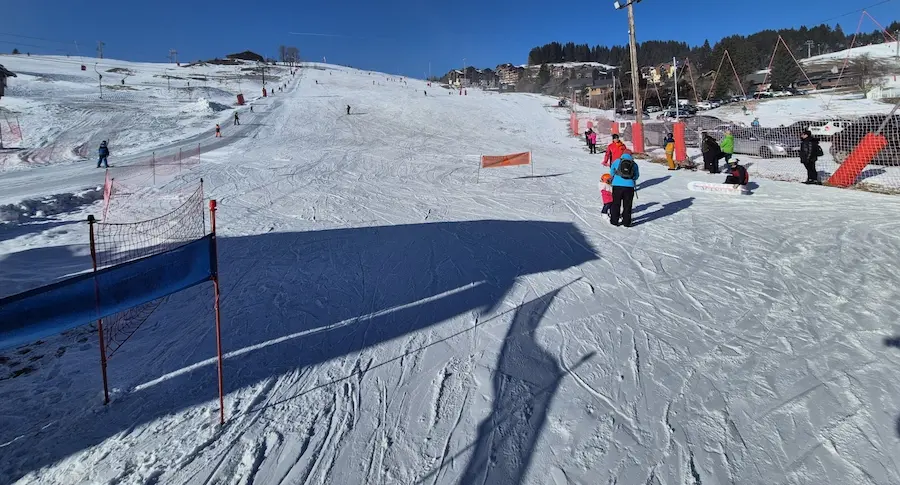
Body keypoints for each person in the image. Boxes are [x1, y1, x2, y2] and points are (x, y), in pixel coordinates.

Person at [609, 153, 640, 227]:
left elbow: (611, 172)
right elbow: (636, 176)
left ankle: (614, 221)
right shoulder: (634, 164)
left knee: (616, 204)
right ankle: (626, 222)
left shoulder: (617, 161)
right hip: (629, 187)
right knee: (627, 205)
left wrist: (615, 177)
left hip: (617, 185)